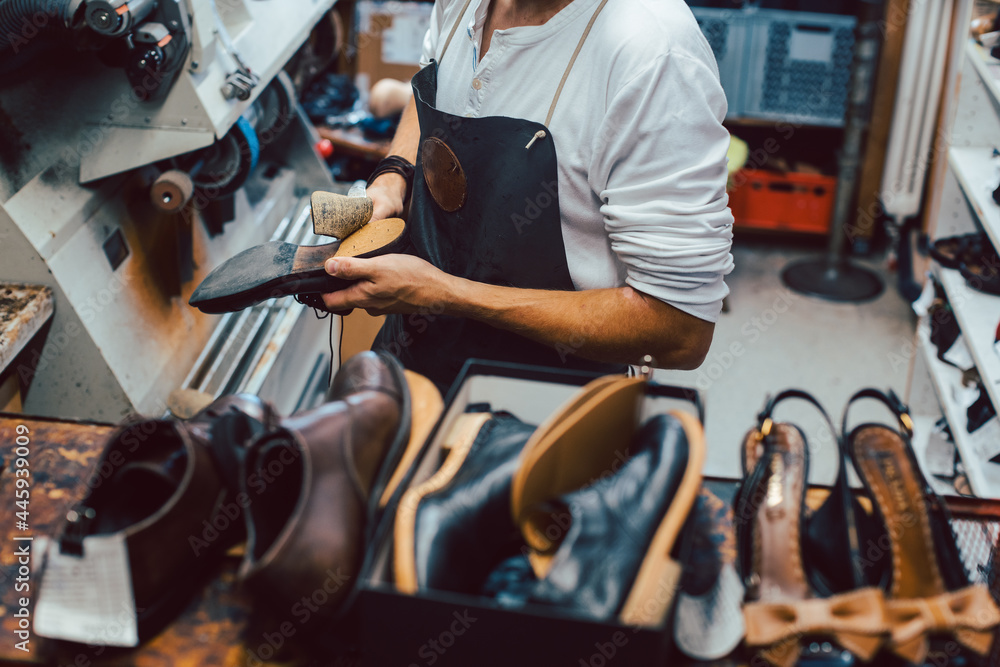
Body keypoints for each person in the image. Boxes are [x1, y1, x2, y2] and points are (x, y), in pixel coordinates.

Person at [320, 0, 734, 390]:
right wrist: (393, 177)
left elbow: (680, 327)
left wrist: (448, 295)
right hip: (412, 357)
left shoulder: (655, 54)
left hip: (547, 406)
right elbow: (434, 74)